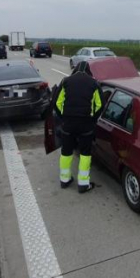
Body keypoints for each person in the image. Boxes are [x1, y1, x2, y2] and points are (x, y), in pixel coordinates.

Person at [54, 61, 103, 193]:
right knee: (85, 154)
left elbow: (57, 102)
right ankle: (83, 184)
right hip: (86, 125)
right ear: (89, 71)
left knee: (66, 151)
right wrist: (92, 119)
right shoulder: (94, 83)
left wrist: (63, 118)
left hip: (68, 124)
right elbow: (100, 105)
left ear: (75, 70)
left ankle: (64, 180)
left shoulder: (65, 81)